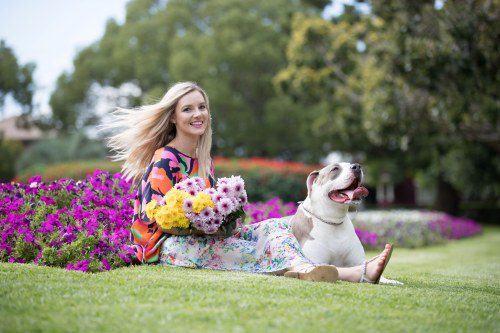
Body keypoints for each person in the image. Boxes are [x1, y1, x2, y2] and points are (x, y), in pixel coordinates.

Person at [106, 81, 393, 283]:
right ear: (172, 117)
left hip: (205, 238)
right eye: (188, 109)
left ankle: (301, 268)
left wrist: (224, 218)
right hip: (170, 247)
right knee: (252, 249)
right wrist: (194, 222)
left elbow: (211, 212)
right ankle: (349, 273)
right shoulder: (165, 161)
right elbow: (148, 220)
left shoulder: (202, 161)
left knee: (278, 227)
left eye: (202, 107)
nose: (198, 115)